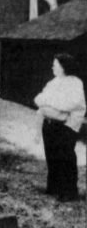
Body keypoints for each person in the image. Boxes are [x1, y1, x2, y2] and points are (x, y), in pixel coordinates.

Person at [34, 53, 85, 202]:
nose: (52, 67)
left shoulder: (75, 83)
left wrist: (50, 103)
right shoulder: (53, 82)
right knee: (52, 155)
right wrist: (52, 104)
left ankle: (69, 191)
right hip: (50, 123)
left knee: (66, 158)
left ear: (63, 67)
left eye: (55, 64)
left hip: (66, 126)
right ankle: (54, 187)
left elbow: (72, 103)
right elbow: (39, 98)